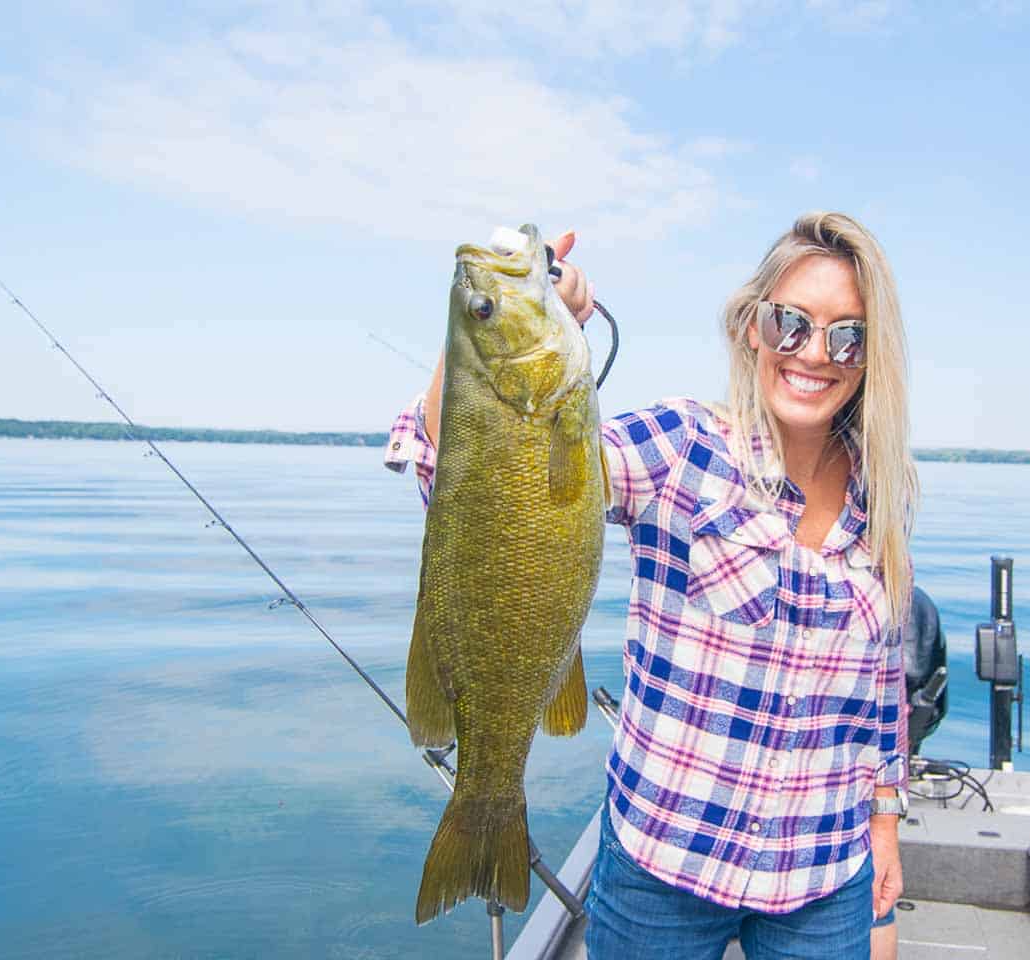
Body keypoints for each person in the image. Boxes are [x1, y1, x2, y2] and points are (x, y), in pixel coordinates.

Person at [387, 213, 916, 960]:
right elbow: (455, 470)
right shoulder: (679, 448)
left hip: (824, 874)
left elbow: (882, 688)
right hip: (662, 866)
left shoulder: (881, 501)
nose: (814, 354)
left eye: (847, 335)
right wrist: (503, 320)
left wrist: (884, 824)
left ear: (870, 356)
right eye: (791, 323)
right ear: (751, 327)